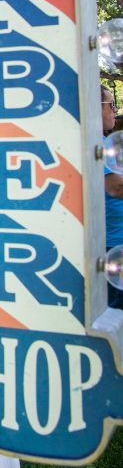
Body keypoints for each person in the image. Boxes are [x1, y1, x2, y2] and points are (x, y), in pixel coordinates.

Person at [101, 84, 123, 310]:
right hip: (112, 244)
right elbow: (116, 188)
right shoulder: (96, 143)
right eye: (110, 104)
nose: (115, 110)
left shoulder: (104, 142)